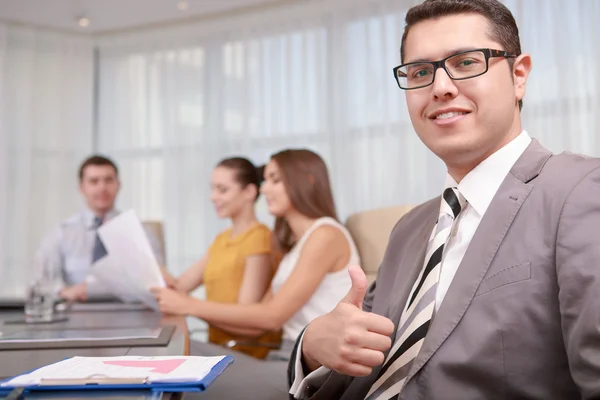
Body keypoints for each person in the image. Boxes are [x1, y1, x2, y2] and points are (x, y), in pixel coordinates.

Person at [287, 0, 600, 399]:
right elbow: (356, 349)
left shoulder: (582, 190)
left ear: (519, 75)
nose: (440, 87)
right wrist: (313, 346)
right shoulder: (411, 227)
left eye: (467, 63)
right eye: (420, 72)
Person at [152, 149, 360, 361]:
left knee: (175, 357)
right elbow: (264, 313)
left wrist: (189, 305)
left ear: (307, 181)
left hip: (305, 362)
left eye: (274, 180)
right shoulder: (295, 246)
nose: (264, 188)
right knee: (171, 350)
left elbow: (272, 317)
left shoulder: (325, 235)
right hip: (289, 355)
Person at [160, 157, 278, 359]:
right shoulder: (222, 239)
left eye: (222, 190)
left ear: (249, 192)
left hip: (242, 352)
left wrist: (190, 306)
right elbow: (180, 287)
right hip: (218, 348)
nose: (213, 197)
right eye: (213, 189)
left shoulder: (259, 238)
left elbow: (245, 317)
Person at [37, 155, 165, 302]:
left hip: (129, 312)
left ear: (118, 185)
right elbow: (42, 281)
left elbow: (155, 281)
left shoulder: (140, 231)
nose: (102, 188)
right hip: (77, 313)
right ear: (82, 187)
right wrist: (62, 291)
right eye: (94, 181)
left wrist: (89, 289)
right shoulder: (62, 232)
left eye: (108, 180)